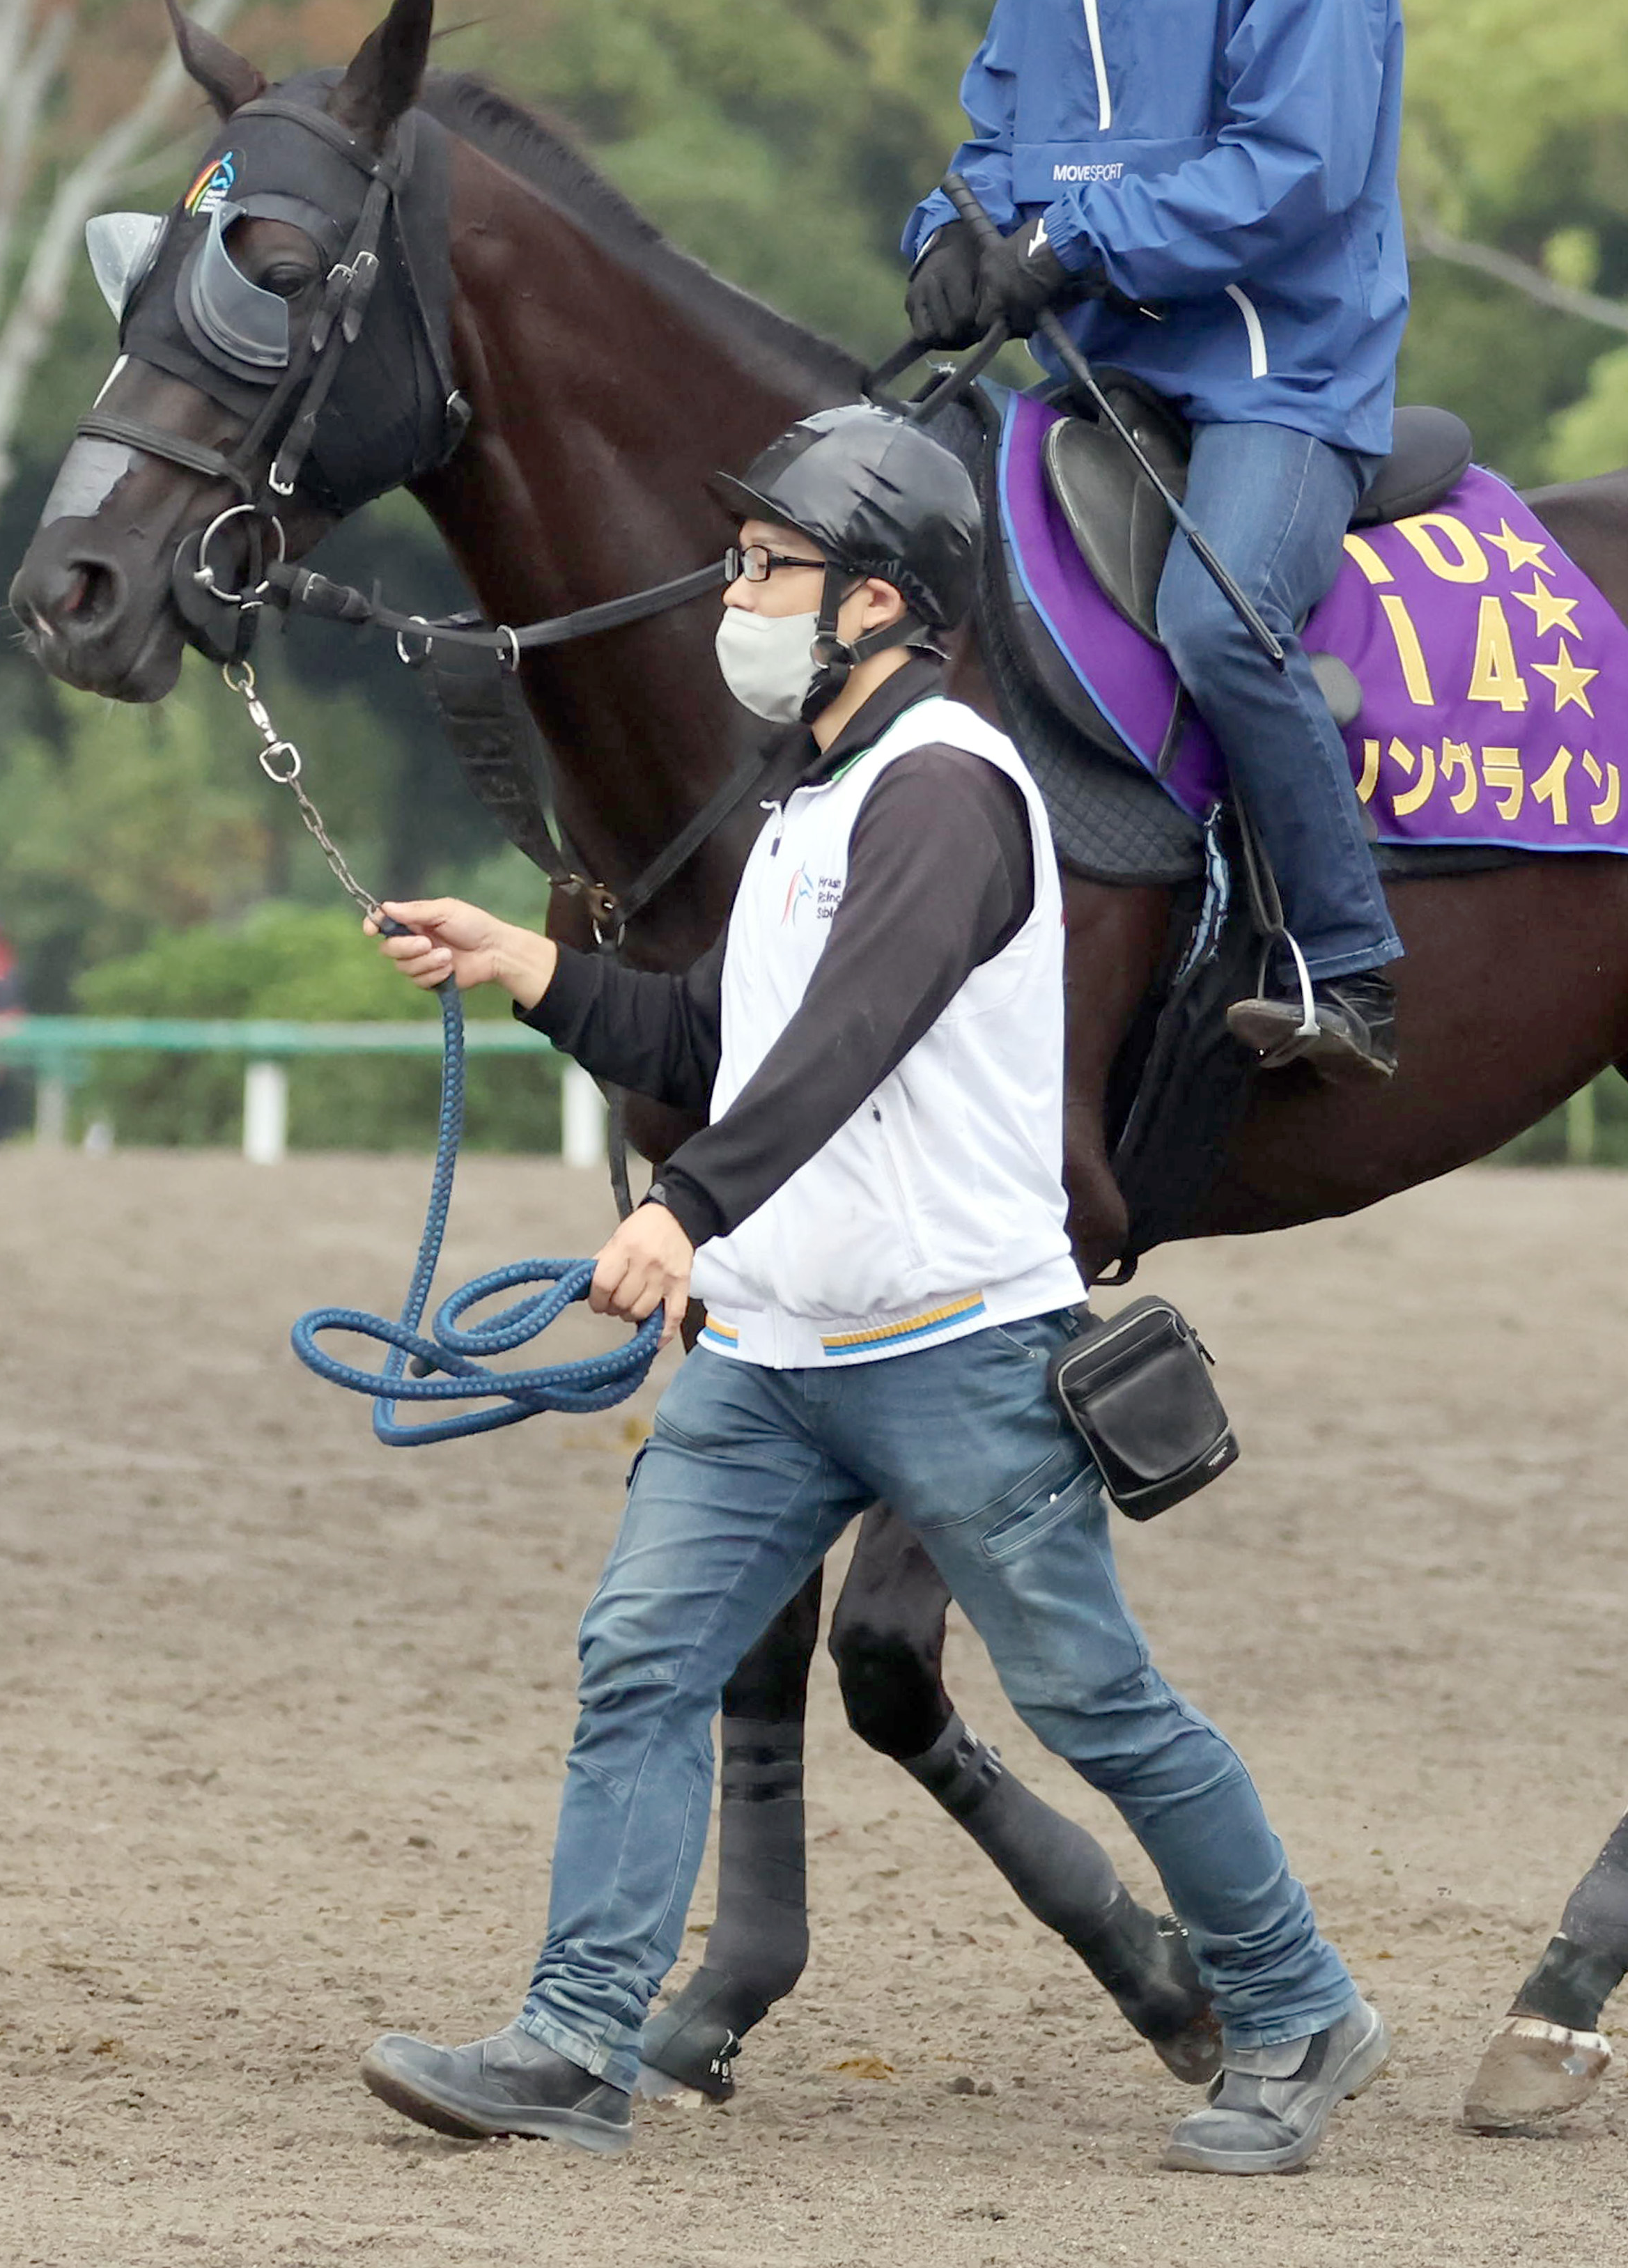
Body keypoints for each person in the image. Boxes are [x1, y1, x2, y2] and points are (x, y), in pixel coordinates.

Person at [352, 404, 1383, 2175]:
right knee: (641, 1658)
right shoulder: (809, 794)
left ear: (886, 605)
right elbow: (717, 1034)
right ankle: (577, 2041)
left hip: (959, 1350)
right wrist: (525, 962)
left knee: (1093, 1701)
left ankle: (1296, 2008)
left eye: (771, 570)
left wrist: (686, 1205)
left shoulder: (954, 794)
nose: (734, 597)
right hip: (771, 1353)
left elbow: (851, 1032)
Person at [901, 0, 1409, 1084]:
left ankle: (1349, 965)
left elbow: (1295, 171)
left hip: (1276, 381)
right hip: (1092, 379)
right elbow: (991, 142)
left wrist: (1071, 246)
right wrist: (946, 239)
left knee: (1213, 621)